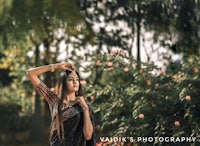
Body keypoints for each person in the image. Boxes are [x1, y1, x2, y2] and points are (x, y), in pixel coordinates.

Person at [26, 62, 95, 146]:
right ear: (64, 83)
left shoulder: (83, 105)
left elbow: (88, 136)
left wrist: (85, 108)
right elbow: (30, 73)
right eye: (70, 79)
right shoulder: (54, 101)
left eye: (77, 79)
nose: (75, 82)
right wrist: (57, 66)